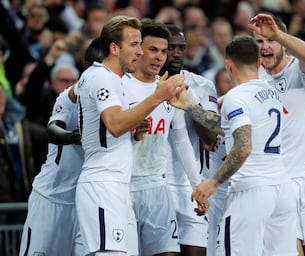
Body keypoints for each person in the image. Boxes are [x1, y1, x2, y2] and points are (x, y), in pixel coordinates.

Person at [170, 34, 297, 256]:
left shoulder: (235, 97)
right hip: (282, 190)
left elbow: (243, 146)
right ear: (259, 63)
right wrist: (191, 107)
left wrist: (213, 183)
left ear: (228, 65)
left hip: (250, 192)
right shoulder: (272, 93)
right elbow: (228, 125)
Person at [75, 15, 185, 255]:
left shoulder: (110, 79)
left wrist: (135, 133)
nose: (140, 51)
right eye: (134, 44)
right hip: (103, 184)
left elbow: (111, 128)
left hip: (119, 185)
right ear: (115, 48)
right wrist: (158, 96)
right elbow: (113, 124)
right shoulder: (101, 77)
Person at [248, 13, 305, 256]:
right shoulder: (255, 83)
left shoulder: (300, 69)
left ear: (282, 42)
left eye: (270, 40)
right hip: (278, 183)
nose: (265, 46)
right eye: (258, 42)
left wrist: (278, 34)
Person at [18, 37, 103, 256]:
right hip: (52, 197)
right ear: (87, 66)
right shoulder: (68, 97)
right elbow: (52, 130)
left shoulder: (115, 103)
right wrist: (73, 137)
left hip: (86, 201)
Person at [122, 20, 198, 256]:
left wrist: (198, 186)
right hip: (124, 185)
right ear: (138, 49)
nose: (160, 57)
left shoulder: (169, 88)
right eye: (153, 50)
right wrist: (132, 132)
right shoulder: (120, 85)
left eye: (163, 51)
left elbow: (181, 139)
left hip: (157, 186)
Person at [160, 23, 218, 256]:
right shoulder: (144, 85)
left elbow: (211, 138)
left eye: (180, 48)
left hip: (190, 188)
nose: (175, 53)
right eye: (169, 47)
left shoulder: (202, 85)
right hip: (157, 185)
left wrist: (190, 102)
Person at [202, 67, 232, 256]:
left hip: (237, 193)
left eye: (232, 81)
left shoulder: (242, 114)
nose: (229, 86)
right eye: (225, 82)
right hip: (211, 195)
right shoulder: (207, 118)